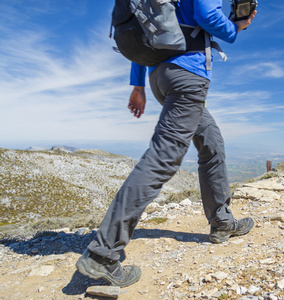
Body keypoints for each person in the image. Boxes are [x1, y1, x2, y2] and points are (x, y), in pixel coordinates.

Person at [76, 0, 257, 288]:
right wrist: (236, 27)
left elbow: (148, 30)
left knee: (211, 142)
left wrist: (138, 86)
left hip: (161, 77)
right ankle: (103, 253)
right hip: (188, 75)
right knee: (164, 157)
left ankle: (222, 222)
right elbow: (206, 14)